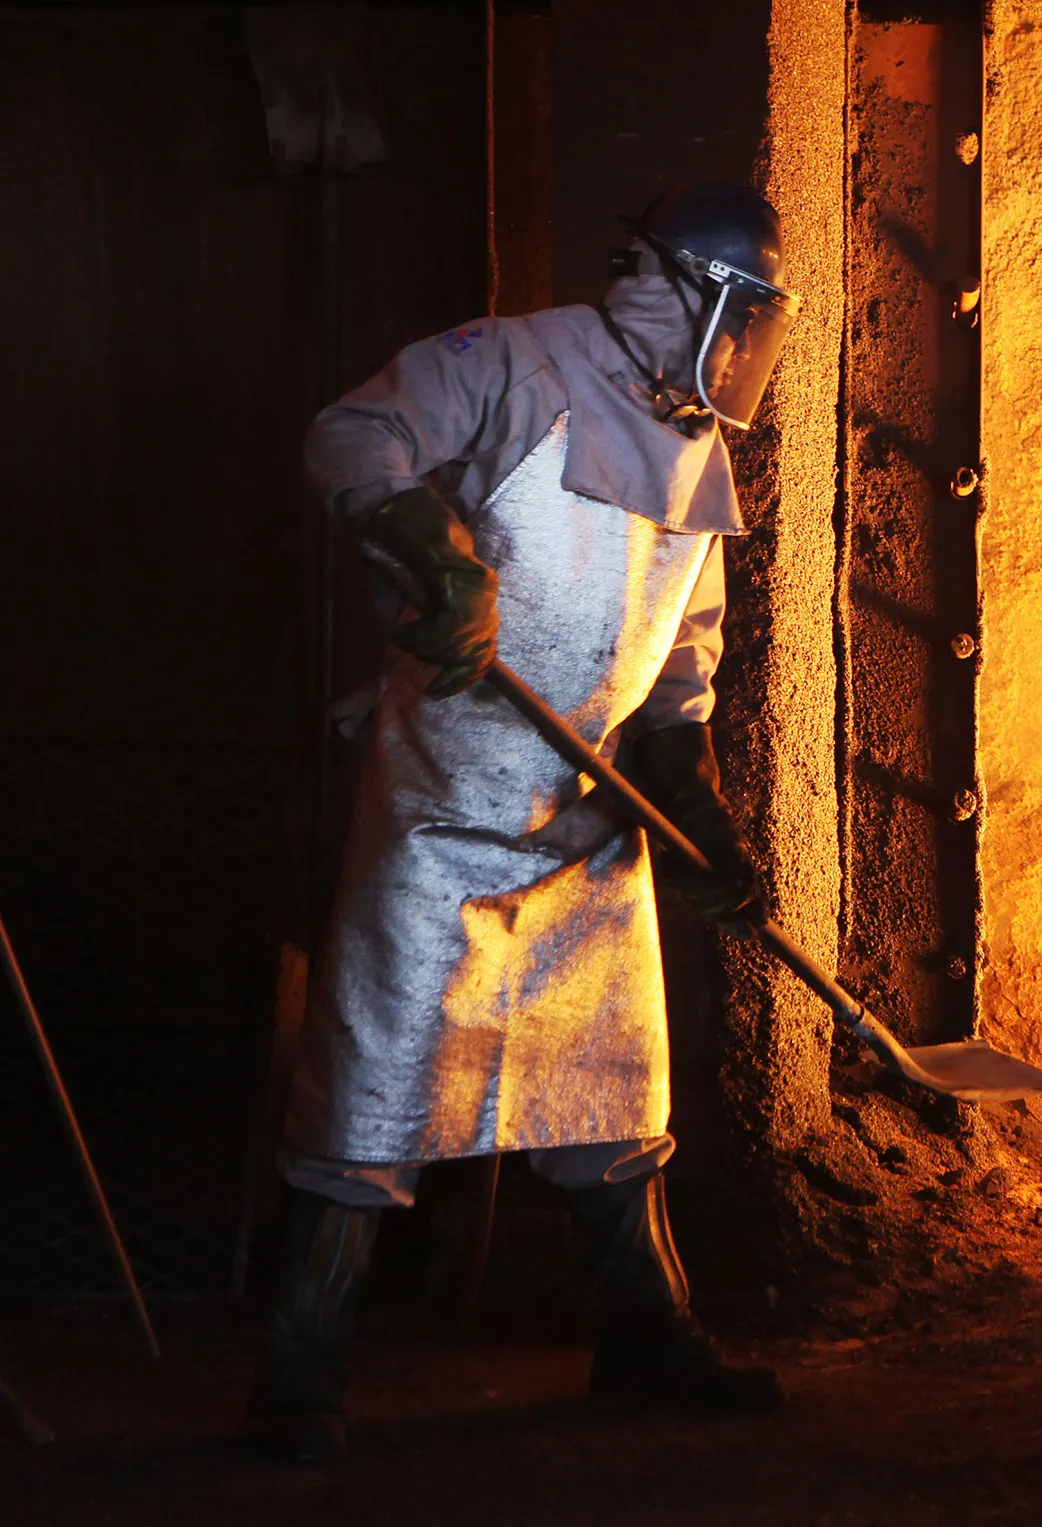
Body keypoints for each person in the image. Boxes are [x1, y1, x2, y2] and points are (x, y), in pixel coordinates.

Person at [249, 182, 804, 1465]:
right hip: (442, 812)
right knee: (370, 1094)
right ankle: (299, 1377)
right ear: (685, 293)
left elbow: (678, 668)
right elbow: (354, 433)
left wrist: (692, 800)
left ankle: (647, 1345)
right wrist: (435, 551)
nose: (745, 351)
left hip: (585, 813)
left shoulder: (697, 447)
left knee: (615, 1097)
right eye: (743, 318)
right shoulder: (511, 363)